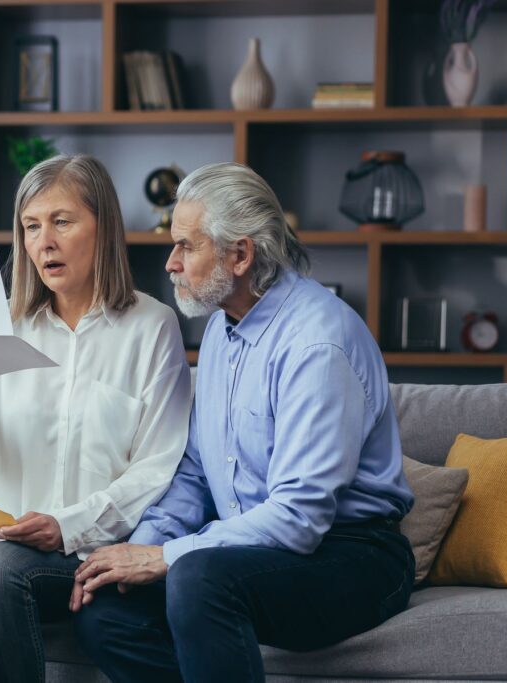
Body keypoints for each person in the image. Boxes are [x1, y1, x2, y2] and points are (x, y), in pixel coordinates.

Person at [70, 162, 416, 683]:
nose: (170, 263)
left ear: (240, 254)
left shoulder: (316, 344)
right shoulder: (219, 330)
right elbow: (194, 471)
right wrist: (134, 552)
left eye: (186, 246)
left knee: (197, 579)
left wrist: (166, 556)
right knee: (107, 608)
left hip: (351, 555)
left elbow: (299, 519)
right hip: (251, 549)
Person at [0, 154, 193, 683]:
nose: (44, 242)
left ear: (103, 227)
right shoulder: (3, 324)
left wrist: (66, 526)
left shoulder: (153, 327)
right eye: (31, 227)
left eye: (61, 221)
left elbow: (157, 468)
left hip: (82, 549)